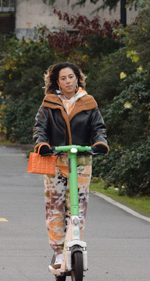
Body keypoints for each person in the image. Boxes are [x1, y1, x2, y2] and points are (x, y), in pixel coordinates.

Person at [32, 62, 109, 270]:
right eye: (63, 78)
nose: (68, 81)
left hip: (81, 160)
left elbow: (98, 128)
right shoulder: (49, 103)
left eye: (71, 77)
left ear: (78, 79)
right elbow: (40, 127)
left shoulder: (88, 103)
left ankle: (75, 243)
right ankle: (58, 251)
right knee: (55, 205)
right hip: (55, 159)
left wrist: (100, 143)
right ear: (57, 82)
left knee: (78, 206)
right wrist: (42, 144)